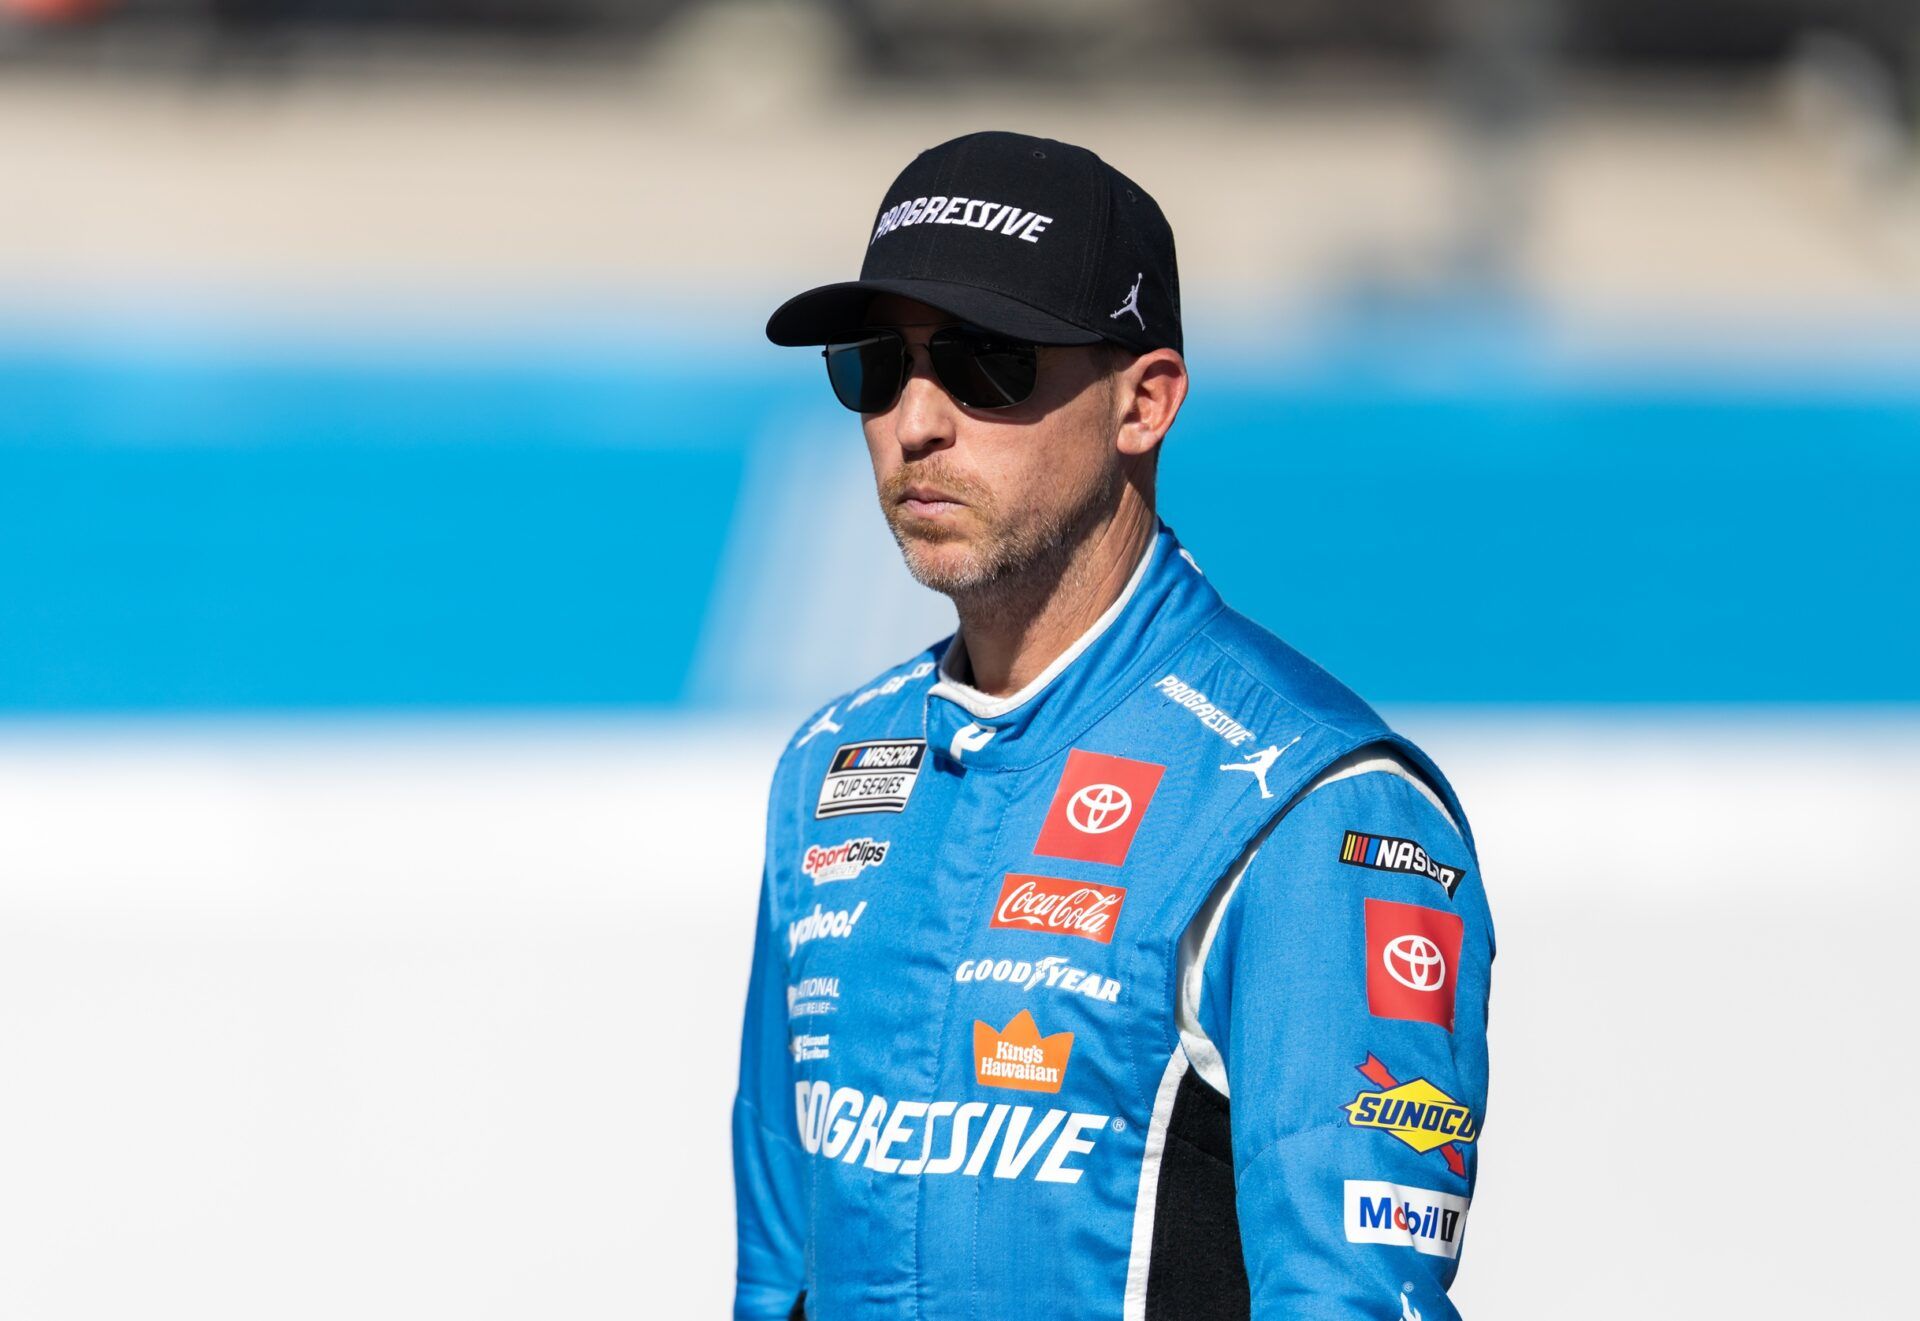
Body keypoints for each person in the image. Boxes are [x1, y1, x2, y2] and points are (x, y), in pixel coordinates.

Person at [734, 130, 1493, 1321]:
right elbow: (775, 1281)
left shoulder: (1312, 802)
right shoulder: (829, 769)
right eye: (879, 364)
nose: (916, 421)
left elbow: (1353, 1299)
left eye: (985, 364)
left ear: (1144, 402)